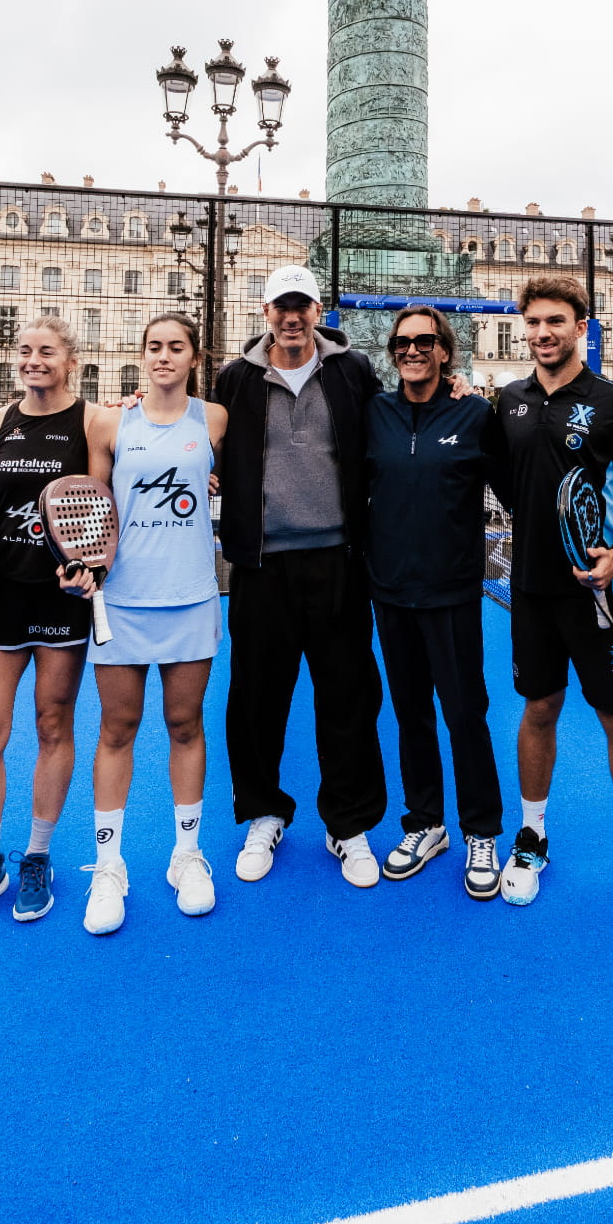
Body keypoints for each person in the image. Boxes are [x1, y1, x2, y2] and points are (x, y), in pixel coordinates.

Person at [494, 274, 613, 931]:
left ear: (581, 327)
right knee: (538, 711)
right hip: (531, 592)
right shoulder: (507, 401)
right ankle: (532, 836)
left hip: (604, 595)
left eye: (555, 322)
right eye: (533, 322)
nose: (542, 333)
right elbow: (503, 480)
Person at [0, 318, 113, 932]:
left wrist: (91, 570)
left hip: (60, 596)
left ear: (70, 361)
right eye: (24, 351)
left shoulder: (92, 422)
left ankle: (36, 856)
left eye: (47, 352)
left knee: (51, 722)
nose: (33, 360)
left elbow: (99, 499)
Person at [214, 264, 387, 889]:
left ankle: (349, 824)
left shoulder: (353, 371)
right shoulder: (234, 379)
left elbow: (385, 433)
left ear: (319, 311)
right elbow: (189, 431)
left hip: (339, 560)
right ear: (265, 312)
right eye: (282, 307)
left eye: (303, 306)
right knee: (257, 696)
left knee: (348, 695)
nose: (292, 317)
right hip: (262, 565)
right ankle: (264, 812)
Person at [77, 314, 227, 934]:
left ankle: (186, 855)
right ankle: (109, 866)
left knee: (185, 724)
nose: (164, 356)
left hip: (191, 596)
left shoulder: (214, 420)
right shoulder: (110, 421)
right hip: (122, 600)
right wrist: (85, 566)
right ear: (140, 356)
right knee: (118, 728)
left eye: (176, 347)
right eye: (153, 347)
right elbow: (92, 503)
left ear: (195, 356)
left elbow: (231, 481)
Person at [365, 306, 506, 899]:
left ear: (445, 351)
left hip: (452, 593)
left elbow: (515, 488)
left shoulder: (475, 413)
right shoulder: (374, 412)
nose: (412, 349)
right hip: (391, 592)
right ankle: (426, 823)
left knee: (464, 712)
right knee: (410, 714)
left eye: (424, 341)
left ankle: (481, 831)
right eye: (402, 342)